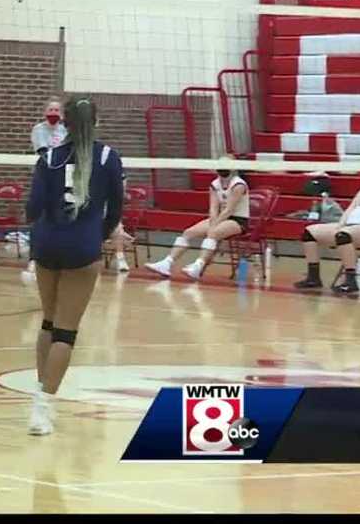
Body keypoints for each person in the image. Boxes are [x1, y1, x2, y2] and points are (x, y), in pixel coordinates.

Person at [25, 97, 123, 435]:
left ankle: (40, 395)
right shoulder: (109, 157)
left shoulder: (47, 158)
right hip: (82, 245)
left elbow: (32, 207)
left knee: (48, 322)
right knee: (66, 331)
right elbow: (116, 210)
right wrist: (99, 234)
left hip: (47, 243)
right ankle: (42, 408)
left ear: (63, 123)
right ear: (96, 122)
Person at [145, 158, 248, 281]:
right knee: (188, 232)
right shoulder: (215, 184)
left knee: (213, 233)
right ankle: (166, 263)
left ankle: (198, 266)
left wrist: (214, 225)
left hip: (237, 220)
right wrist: (213, 221)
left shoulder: (239, 185)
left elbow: (229, 210)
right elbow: (213, 207)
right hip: (219, 217)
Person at [297, 169, 360, 294]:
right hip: (351, 225)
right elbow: (350, 209)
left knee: (344, 235)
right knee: (309, 232)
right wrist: (340, 224)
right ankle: (313, 277)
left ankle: (351, 281)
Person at [24, 98, 67, 279]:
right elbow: (43, 153)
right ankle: (33, 260)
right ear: (44, 112)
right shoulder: (39, 130)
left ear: (62, 114)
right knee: (39, 218)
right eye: (51, 109)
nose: (54, 113)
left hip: (63, 179)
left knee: (62, 217)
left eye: (57, 110)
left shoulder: (65, 130)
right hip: (43, 177)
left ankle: (59, 259)